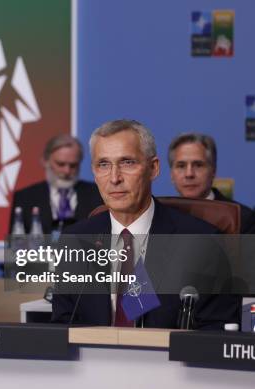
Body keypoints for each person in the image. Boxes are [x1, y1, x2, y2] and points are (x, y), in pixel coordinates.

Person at [51, 119, 239, 329]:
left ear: (153, 168)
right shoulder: (74, 241)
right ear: (94, 173)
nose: (114, 178)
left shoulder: (203, 243)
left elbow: (216, 332)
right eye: (103, 164)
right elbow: (63, 327)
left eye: (127, 163)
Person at [8, 135, 103, 234]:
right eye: (60, 164)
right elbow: (15, 245)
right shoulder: (24, 197)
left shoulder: (98, 194)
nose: (67, 171)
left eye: (73, 165)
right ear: (45, 161)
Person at [169, 132, 255, 233]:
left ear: (213, 171)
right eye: (181, 166)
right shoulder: (160, 216)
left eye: (198, 165)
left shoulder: (242, 218)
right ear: (171, 174)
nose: (189, 174)